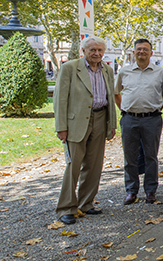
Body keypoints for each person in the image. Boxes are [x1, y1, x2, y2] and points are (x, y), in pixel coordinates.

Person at [53, 36, 117, 224]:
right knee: (73, 166)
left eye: (100, 50)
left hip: (100, 119)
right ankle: (66, 208)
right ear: (84, 51)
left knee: (94, 165)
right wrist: (61, 127)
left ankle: (86, 203)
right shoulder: (70, 68)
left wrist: (111, 124)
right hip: (76, 123)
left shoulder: (107, 70)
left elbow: (110, 98)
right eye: (92, 50)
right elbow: (60, 99)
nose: (96, 53)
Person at [114, 38, 163, 205]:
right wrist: (125, 109)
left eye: (145, 49)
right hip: (129, 119)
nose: (142, 52)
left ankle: (150, 191)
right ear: (133, 52)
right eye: (139, 49)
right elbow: (116, 93)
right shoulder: (124, 71)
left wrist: (153, 109)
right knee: (129, 157)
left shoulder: (161, 72)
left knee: (151, 156)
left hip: (152, 120)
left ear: (151, 53)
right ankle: (131, 191)